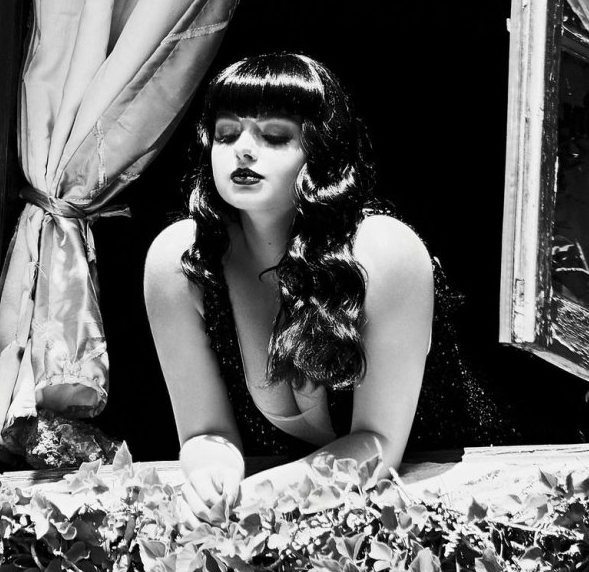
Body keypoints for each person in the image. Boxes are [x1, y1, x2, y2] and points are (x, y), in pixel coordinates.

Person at [142, 52, 434, 518]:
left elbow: (379, 446)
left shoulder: (383, 252)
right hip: (287, 525)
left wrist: (253, 498)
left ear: (321, 150)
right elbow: (204, 432)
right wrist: (210, 480)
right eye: (226, 134)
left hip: (453, 508)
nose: (243, 150)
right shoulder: (182, 261)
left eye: (274, 136)